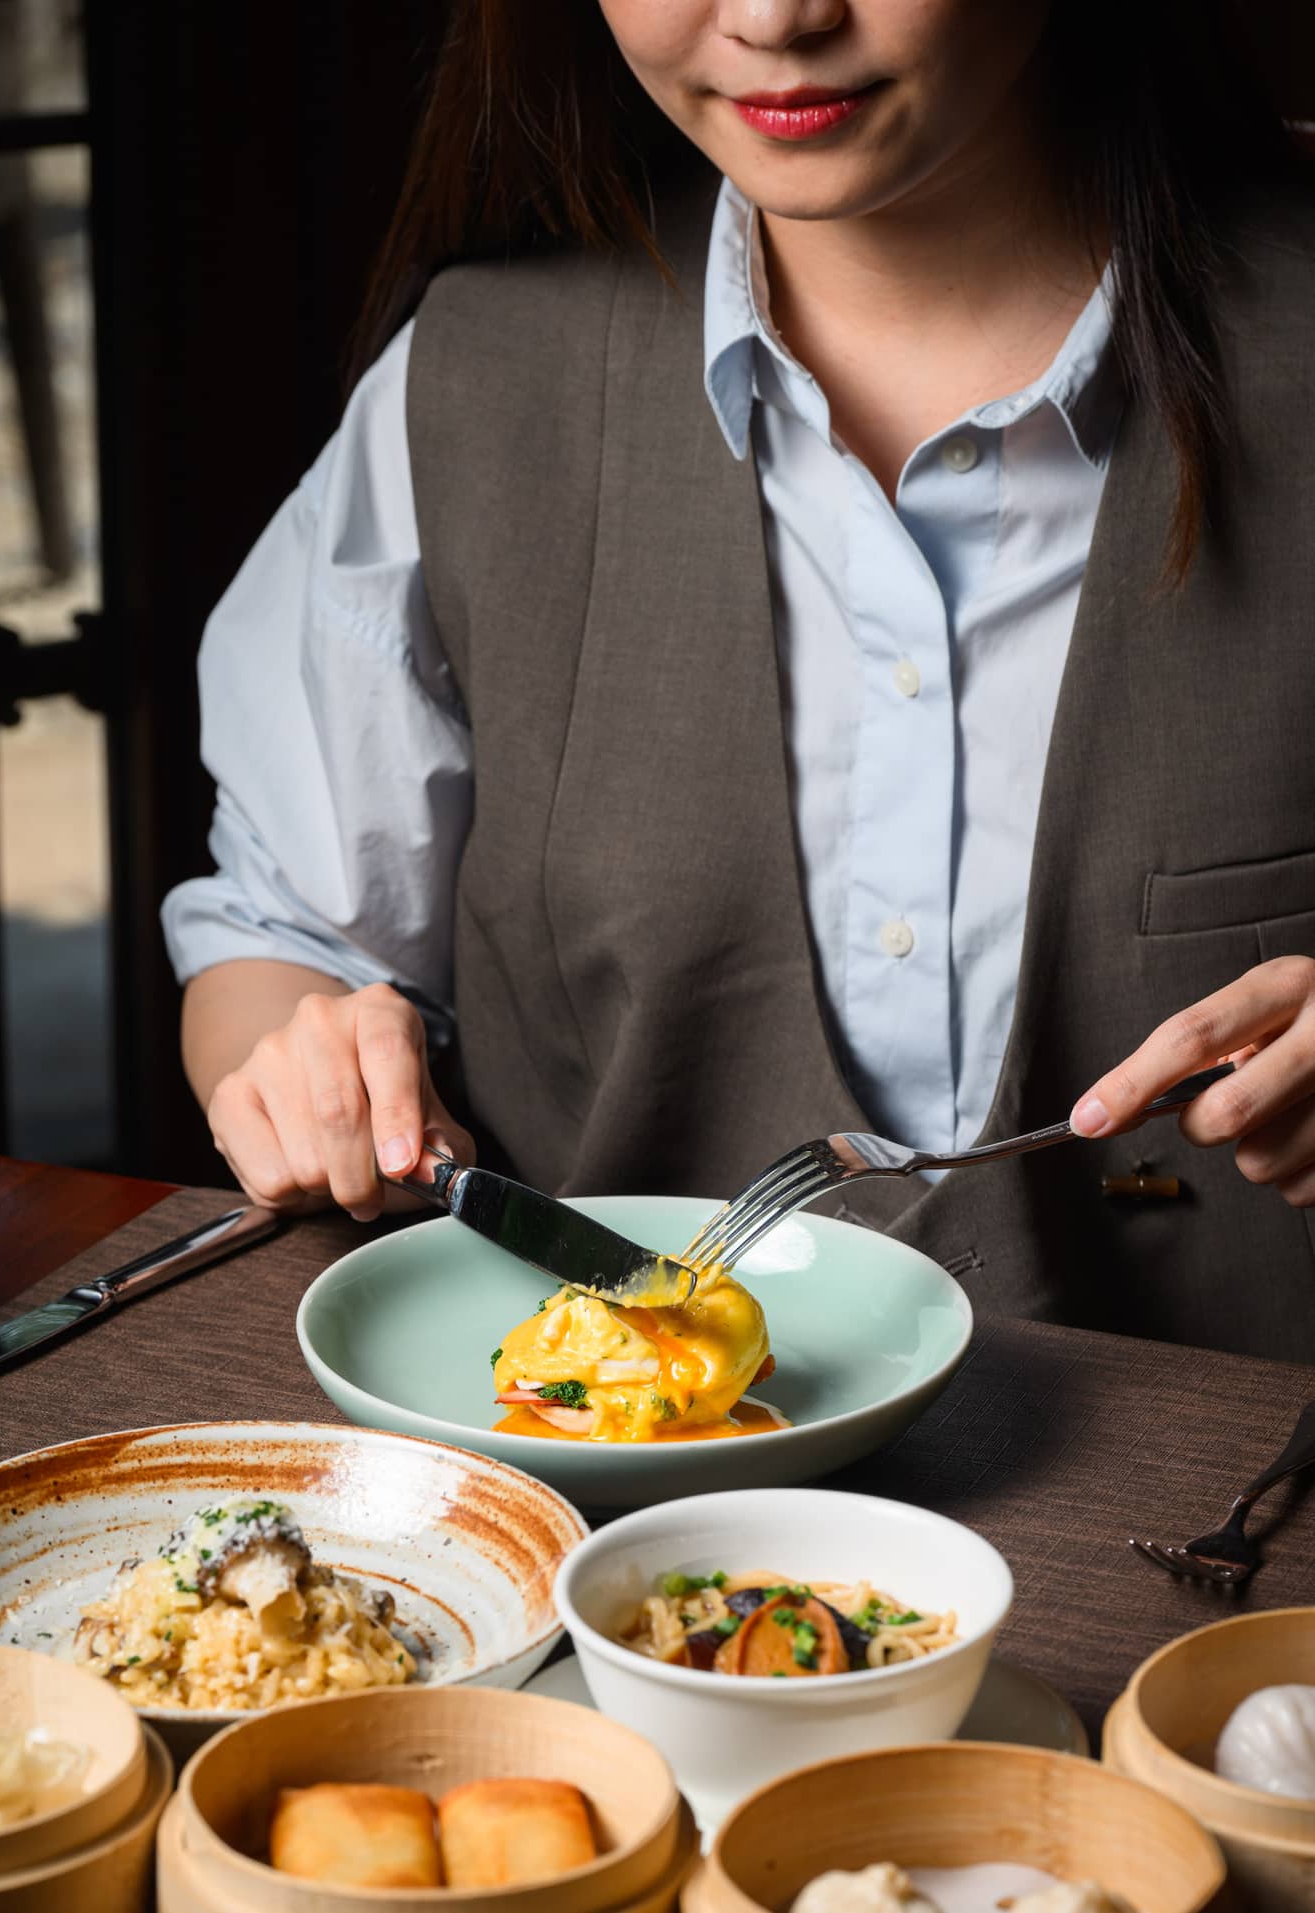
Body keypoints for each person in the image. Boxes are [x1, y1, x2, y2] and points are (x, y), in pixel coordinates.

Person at [163, 0, 1315, 1360]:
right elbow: (287, 935)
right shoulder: (479, 385)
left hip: (1240, 1526)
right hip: (605, 1510)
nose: (774, 17)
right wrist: (305, 1058)